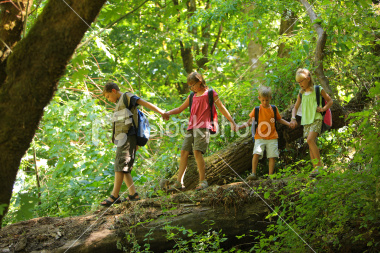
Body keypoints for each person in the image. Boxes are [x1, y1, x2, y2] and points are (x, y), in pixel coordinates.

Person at [163, 72, 237, 190]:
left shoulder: (211, 93)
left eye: (193, 85)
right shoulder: (192, 96)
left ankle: (203, 181)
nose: (192, 88)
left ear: (200, 82)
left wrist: (232, 121)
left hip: (204, 126)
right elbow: (180, 108)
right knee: (184, 152)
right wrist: (168, 112)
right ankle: (178, 182)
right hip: (191, 127)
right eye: (190, 86)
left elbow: (221, 108)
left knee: (197, 151)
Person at [100, 82, 166, 207]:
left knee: (120, 165)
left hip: (127, 137)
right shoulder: (120, 102)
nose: (108, 100)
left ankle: (114, 195)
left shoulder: (127, 97)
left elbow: (144, 103)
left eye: (108, 96)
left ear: (113, 91)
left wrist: (161, 112)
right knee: (124, 167)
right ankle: (133, 194)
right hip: (123, 138)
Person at [237, 86, 290, 180]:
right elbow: (249, 122)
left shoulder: (274, 109)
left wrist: (289, 123)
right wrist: (239, 127)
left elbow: (279, 119)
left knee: (272, 156)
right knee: (256, 154)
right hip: (259, 136)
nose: (265, 102)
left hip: (272, 136)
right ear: (259, 99)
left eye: (266, 100)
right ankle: (253, 173)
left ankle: (270, 175)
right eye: (263, 100)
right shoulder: (257, 110)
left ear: (270, 98)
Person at [289, 68, 333, 177]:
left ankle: (319, 167)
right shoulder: (301, 94)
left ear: (308, 79)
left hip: (316, 118)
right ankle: (315, 170)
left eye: (301, 81)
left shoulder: (318, 89)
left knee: (310, 139)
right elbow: (295, 108)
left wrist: (323, 109)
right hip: (306, 121)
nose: (300, 84)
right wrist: (293, 118)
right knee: (310, 143)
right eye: (298, 82)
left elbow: (330, 101)